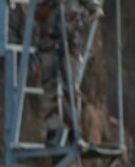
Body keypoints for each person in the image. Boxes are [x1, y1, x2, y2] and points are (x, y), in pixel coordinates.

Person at [34, 0, 103, 146]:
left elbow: (95, 10)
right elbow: (36, 13)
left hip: (72, 42)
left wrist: (80, 17)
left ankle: (74, 132)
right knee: (50, 86)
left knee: (71, 87)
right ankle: (52, 131)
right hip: (49, 40)